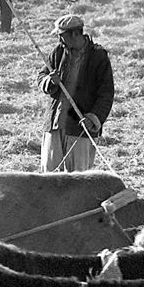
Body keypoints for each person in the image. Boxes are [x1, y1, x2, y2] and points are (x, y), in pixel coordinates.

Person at [36, 12, 114, 173]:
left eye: (62, 36)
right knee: (49, 176)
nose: (59, 40)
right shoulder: (58, 52)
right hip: (55, 124)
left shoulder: (98, 57)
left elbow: (106, 94)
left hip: (80, 128)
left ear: (75, 34)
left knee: (78, 179)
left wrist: (93, 118)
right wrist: (50, 81)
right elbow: (41, 76)